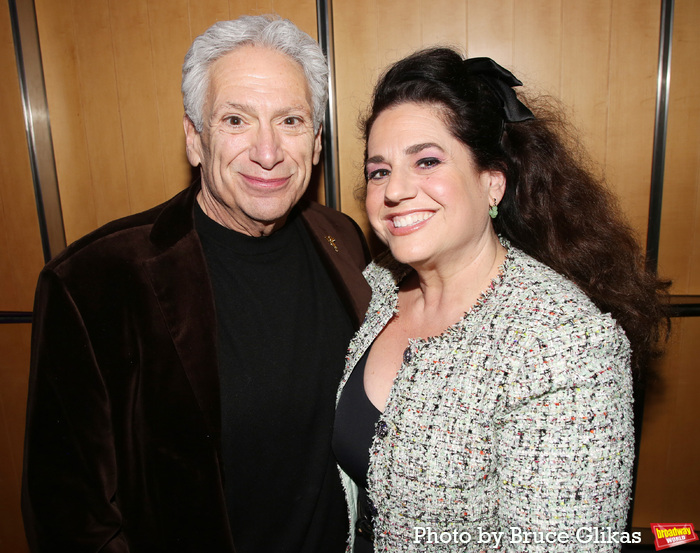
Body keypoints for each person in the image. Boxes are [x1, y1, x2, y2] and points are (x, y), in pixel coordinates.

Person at [22, 15, 371, 553]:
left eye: (291, 121)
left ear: (317, 141)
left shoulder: (344, 239)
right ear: (195, 139)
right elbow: (72, 519)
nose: (268, 151)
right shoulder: (94, 282)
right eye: (236, 120)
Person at [332, 48, 668, 552]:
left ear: (492, 183)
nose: (395, 189)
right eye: (378, 171)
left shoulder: (566, 345)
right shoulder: (378, 286)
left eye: (426, 161)